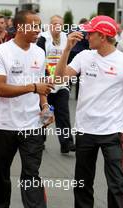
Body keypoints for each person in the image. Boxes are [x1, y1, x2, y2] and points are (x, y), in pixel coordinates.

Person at [55, 15, 123, 208]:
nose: (86, 36)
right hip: (85, 131)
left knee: (117, 186)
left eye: (91, 33)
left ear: (103, 36)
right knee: (82, 182)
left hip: (112, 133)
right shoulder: (83, 56)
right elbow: (60, 79)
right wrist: (67, 49)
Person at [0, 10, 54, 208]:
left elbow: (43, 82)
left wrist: (45, 106)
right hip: (5, 123)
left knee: (31, 173)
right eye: (33, 25)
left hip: (32, 123)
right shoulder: (0, 52)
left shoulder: (39, 51)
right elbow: (0, 89)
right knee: (2, 170)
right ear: (20, 27)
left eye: (39, 25)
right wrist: (33, 88)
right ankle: (0, 207)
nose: (38, 29)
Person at [37, 15, 75, 154]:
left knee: (63, 113)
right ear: (50, 25)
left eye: (59, 24)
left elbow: (71, 58)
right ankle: (40, 140)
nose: (57, 26)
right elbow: (38, 59)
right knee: (46, 111)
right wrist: (45, 78)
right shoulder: (43, 38)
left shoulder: (67, 38)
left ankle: (67, 143)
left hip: (61, 83)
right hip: (46, 82)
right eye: (54, 24)